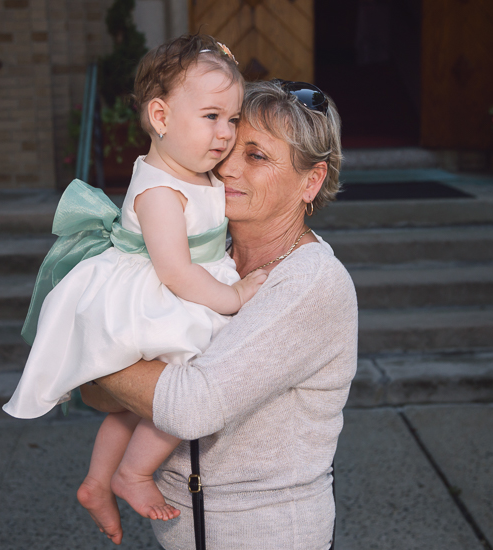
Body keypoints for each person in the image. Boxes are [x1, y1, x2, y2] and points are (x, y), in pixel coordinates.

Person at [2, 35, 267, 544]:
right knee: (185, 382)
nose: (226, 133)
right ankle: (133, 473)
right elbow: (176, 272)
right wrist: (233, 298)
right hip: (157, 289)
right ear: (161, 117)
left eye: (233, 119)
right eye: (211, 116)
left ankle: (96, 482)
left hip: (187, 280)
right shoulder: (161, 191)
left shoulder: (194, 170)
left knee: (133, 407)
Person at [81, 78, 358, 550]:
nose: (227, 167)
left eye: (257, 156)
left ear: (311, 180)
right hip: (178, 526)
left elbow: (191, 407)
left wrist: (89, 344)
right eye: (227, 146)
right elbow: (100, 398)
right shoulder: (200, 264)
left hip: (266, 534)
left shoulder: (311, 282)